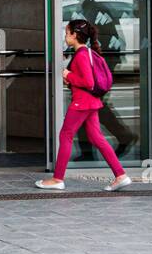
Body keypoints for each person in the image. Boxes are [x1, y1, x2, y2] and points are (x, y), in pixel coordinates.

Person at [36, 19, 131, 192]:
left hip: (82, 103)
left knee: (66, 135)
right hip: (91, 102)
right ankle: (120, 175)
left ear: (74, 35)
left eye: (67, 33)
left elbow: (88, 81)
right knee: (97, 138)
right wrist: (71, 79)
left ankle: (58, 179)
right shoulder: (86, 52)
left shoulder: (81, 56)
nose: (65, 36)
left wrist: (69, 75)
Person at [76, 0, 137, 158]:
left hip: (100, 64)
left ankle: (121, 137)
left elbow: (102, 39)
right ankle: (90, 149)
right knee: (88, 104)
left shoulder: (95, 10)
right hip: (100, 62)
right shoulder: (90, 9)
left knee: (89, 104)